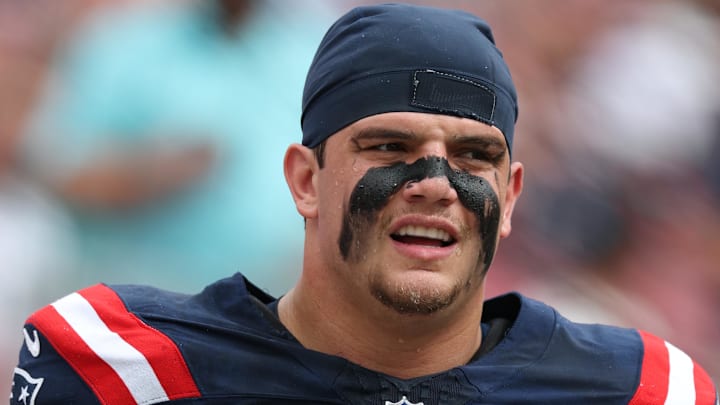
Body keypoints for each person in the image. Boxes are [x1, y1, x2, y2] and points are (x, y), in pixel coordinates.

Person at [9, 3, 718, 404]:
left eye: (475, 155)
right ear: (306, 180)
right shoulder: (126, 363)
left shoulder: (641, 389)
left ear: (511, 193)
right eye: (389, 146)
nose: (437, 181)